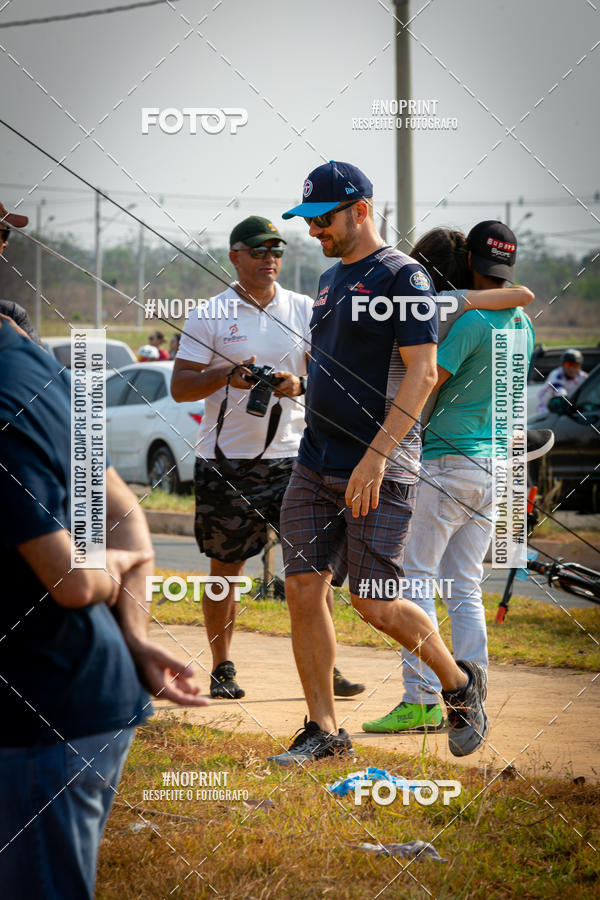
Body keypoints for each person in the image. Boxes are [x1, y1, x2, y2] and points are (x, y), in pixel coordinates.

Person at [269, 161, 488, 765]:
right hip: (316, 460)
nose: (315, 231)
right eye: (309, 221)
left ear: (360, 211)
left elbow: (421, 374)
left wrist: (374, 460)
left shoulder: (404, 277)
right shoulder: (328, 280)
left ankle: (460, 683)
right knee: (302, 586)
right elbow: (331, 366)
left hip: (380, 467)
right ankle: (324, 730)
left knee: (374, 601)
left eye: (324, 219)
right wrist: (299, 385)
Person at [0, 316, 209, 899]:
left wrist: (110, 572)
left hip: (46, 716)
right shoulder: (47, 373)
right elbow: (124, 515)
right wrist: (136, 637)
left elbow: (71, 576)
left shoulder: (7, 403)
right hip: (83, 696)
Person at [171, 215, 364, 700]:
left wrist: (300, 385)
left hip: (296, 461)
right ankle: (222, 666)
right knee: (225, 571)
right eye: (257, 251)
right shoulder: (209, 314)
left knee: (312, 571)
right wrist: (224, 374)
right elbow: (179, 388)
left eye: (275, 251)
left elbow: (331, 377)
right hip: (227, 463)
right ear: (234, 256)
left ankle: (327, 667)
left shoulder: (304, 308)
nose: (268, 259)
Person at [363, 221, 535, 734]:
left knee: (412, 578)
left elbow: (428, 385)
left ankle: (422, 699)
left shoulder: (466, 326)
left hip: (445, 462)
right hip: (497, 465)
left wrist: (390, 441)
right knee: (464, 584)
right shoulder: (522, 323)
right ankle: (473, 690)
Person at [536, 348, 588, 414]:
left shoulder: (583, 376)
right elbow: (560, 393)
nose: (571, 368)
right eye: (568, 364)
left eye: (575, 365)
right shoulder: (556, 375)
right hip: (545, 407)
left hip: (566, 407)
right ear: (563, 364)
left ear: (580, 366)